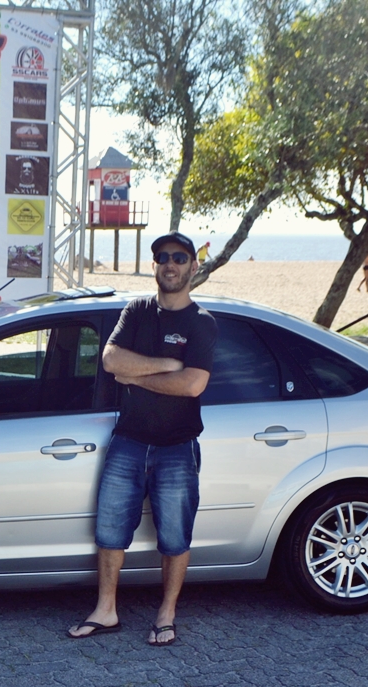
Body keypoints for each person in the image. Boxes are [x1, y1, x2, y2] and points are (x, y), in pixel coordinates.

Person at [69, 231, 217, 647]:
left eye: (180, 258)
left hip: (177, 448)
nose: (171, 264)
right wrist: (167, 365)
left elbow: (192, 385)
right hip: (129, 443)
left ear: (193, 266)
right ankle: (106, 610)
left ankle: (166, 615)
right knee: (110, 531)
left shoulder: (201, 322)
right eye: (163, 257)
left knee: (175, 537)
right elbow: (111, 359)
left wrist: (135, 377)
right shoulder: (136, 311)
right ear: (155, 265)